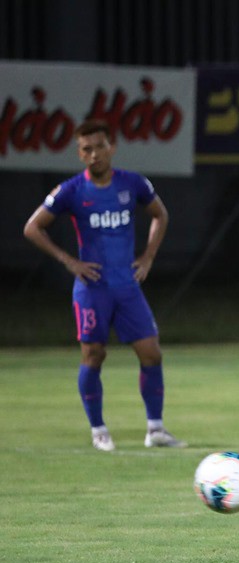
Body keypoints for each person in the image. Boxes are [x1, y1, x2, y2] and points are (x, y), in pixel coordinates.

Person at [23, 119, 185, 452]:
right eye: (87, 149)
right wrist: (69, 261)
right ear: (79, 154)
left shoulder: (132, 184)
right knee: (94, 355)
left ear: (111, 146)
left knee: (151, 353)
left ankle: (155, 429)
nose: (94, 154)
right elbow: (32, 228)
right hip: (92, 288)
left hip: (127, 286)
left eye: (99, 146)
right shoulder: (70, 191)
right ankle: (98, 429)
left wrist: (149, 256)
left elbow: (161, 215)